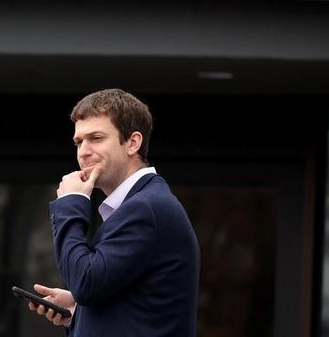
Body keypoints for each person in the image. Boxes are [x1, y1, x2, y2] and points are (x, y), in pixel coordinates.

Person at [28, 88, 200, 336]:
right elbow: (136, 304)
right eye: (79, 141)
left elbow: (85, 282)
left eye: (96, 138)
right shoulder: (142, 204)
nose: (83, 151)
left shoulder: (145, 208)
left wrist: (71, 202)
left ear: (133, 142)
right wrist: (80, 311)